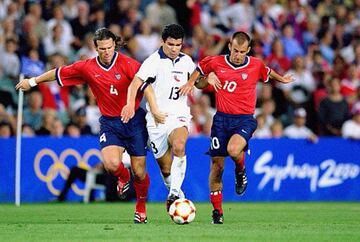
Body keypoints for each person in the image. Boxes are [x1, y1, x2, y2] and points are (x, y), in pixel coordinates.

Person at [15, 28, 150, 224]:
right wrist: (33, 81)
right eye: (102, 48)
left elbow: (147, 86)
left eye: (110, 47)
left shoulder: (129, 64)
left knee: (139, 172)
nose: (106, 52)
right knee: (111, 164)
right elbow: (58, 72)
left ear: (115, 45)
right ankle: (122, 176)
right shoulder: (87, 67)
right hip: (110, 122)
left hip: (135, 120)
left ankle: (141, 208)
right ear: (95, 48)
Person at [179, 31, 293, 224]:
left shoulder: (255, 64)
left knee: (233, 150)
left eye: (242, 51)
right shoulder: (215, 62)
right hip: (221, 120)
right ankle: (217, 212)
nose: (238, 54)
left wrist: (282, 79)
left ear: (247, 50)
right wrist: (193, 82)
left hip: (245, 119)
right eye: (235, 50)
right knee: (217, 166)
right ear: (230, 46)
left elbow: (267, 72)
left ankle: (240, 171)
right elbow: (199, 70)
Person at [121, 24, 198, 211]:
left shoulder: (186, 61)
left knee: (179, 145)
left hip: (179, 115)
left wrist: (197, 80)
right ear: (163, 41)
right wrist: (130, 104)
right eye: (171, 44)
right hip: (156, 121)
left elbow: (198, 78)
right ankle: (180, 199)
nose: (174, 48)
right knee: (166, 169)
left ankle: (173, 195)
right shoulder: (152, 61)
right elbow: (134, 85)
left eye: (178, 45)